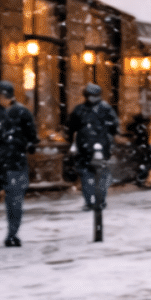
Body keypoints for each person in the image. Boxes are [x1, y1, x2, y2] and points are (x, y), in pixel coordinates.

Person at [0, 81, 38, 246]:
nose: (4, 99)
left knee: (14, 201)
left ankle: (12, 234)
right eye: (2, 96)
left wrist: (28, 143)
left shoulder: (21, 112)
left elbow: (31, 136)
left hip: (12, 162)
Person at [66, 82, 119, 211]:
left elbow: (113, 127)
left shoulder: (103, 109)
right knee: (89, 176)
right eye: (90, 95)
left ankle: (97, 200)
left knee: (97, 175)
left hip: (97, 147)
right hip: (88, 148)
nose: (92, 98)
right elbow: (71, 127)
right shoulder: (82, 110)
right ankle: (92, 201)